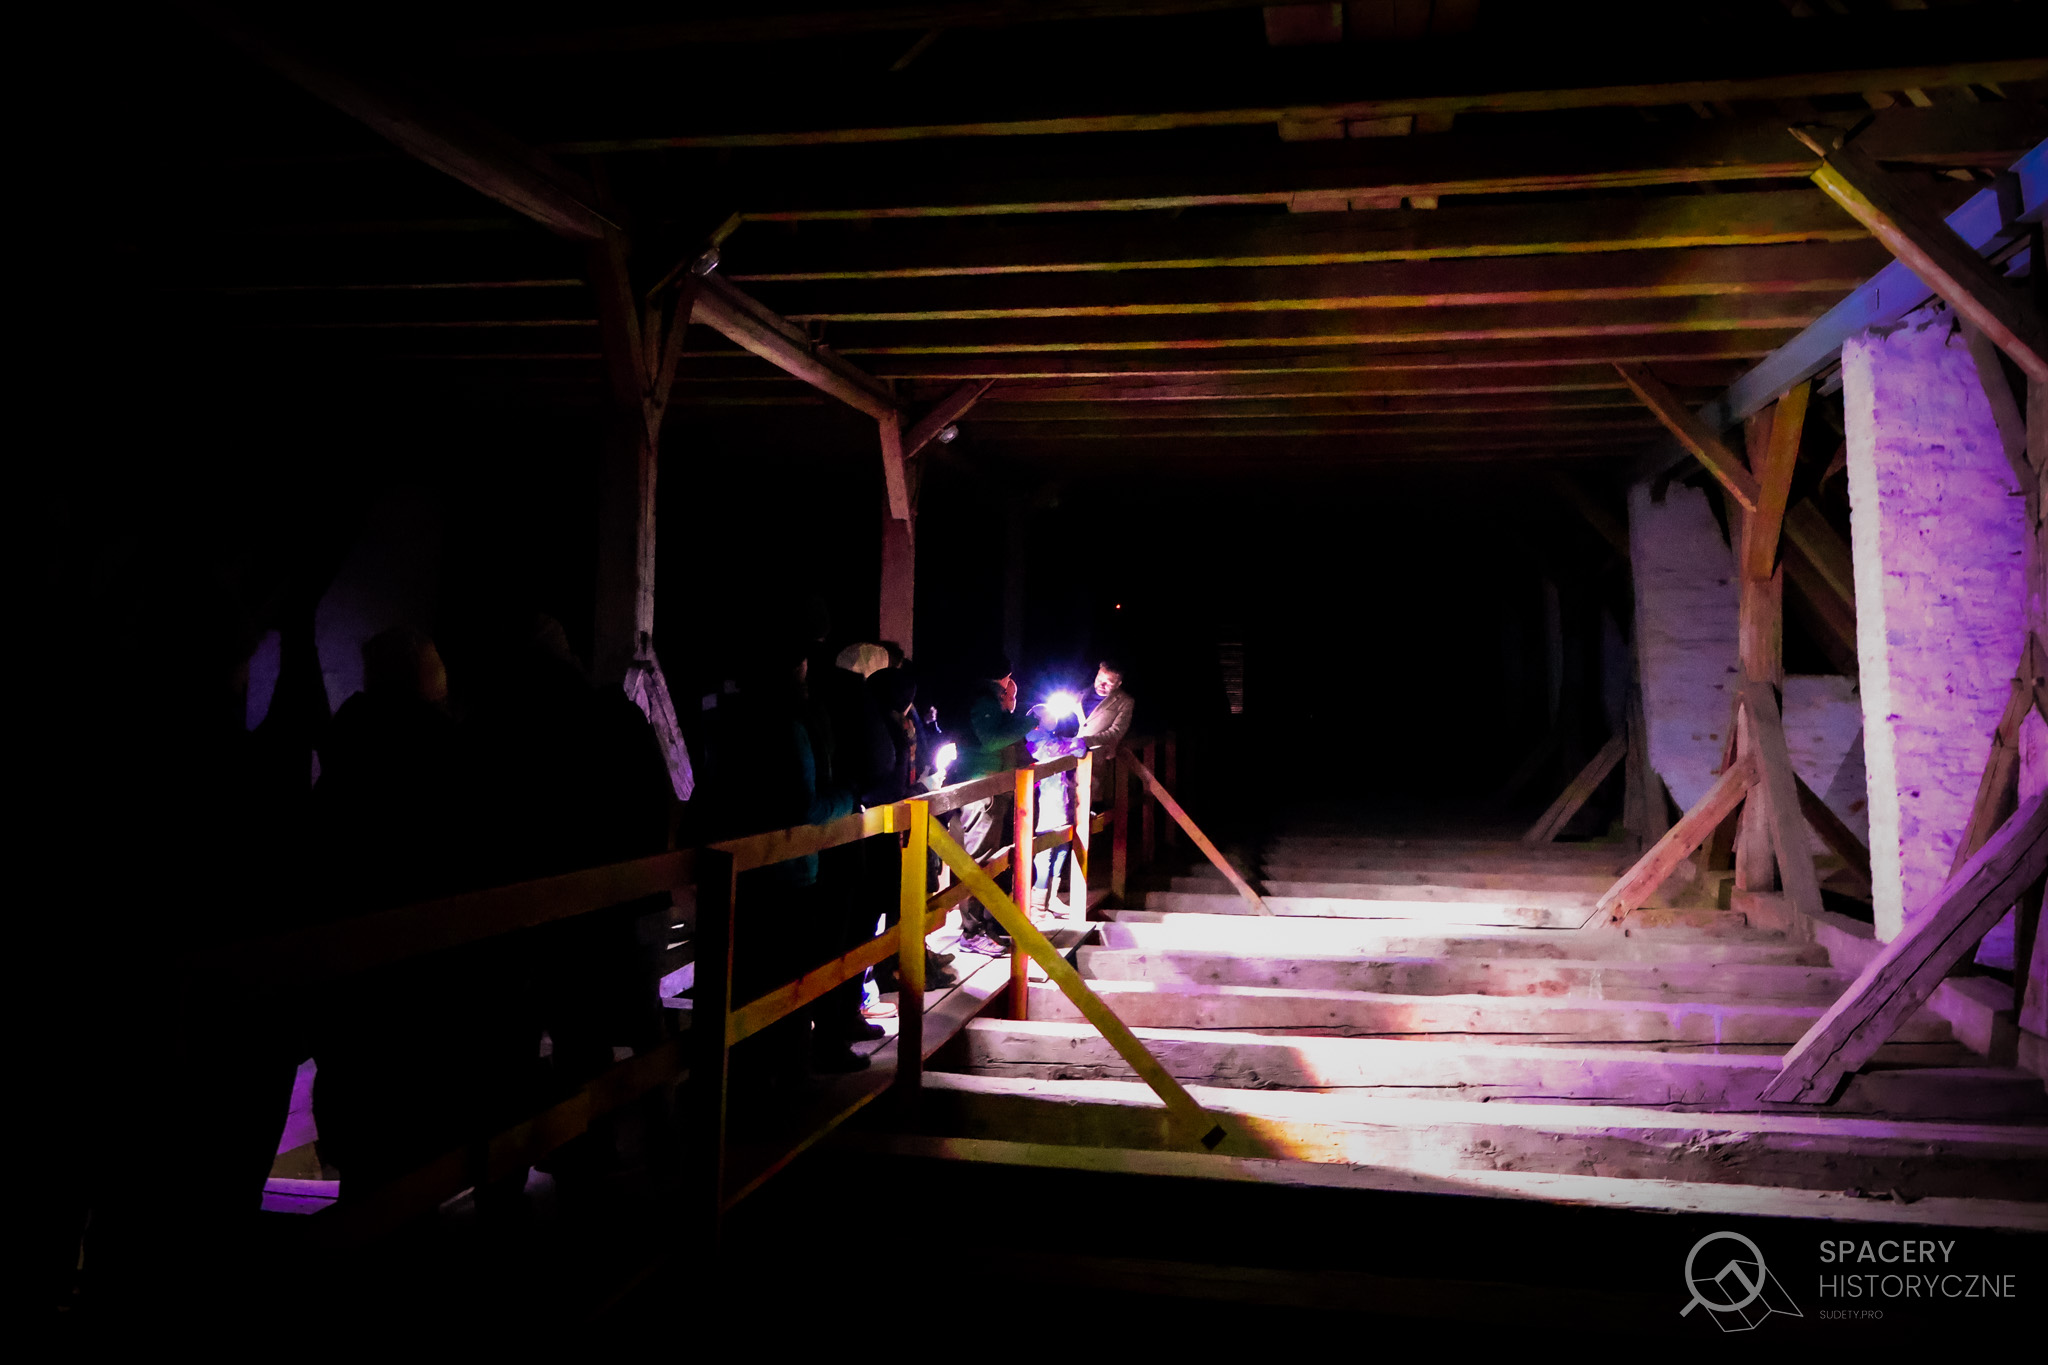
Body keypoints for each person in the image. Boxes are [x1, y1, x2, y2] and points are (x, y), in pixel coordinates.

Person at [948, 654, 1037, 953]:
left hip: (990, 787)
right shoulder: (984, 700)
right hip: (982, 789)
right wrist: (1031, 721)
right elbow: (991, 739)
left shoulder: (984, 698)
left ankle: (983, 926)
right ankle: (972, 932)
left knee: (987, 858)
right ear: (1004, 676)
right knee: (979, 860)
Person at [1079, 659, 1135, 808]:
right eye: (1099, 679)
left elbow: (1116, 732)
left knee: (1086, 803)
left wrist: (1085, 741)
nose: (1101, 685)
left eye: (1108, 683)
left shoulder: (1125, 702)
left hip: (1094, 760)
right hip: (1064, 756)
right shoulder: (1080, 694)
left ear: (1118, 684)